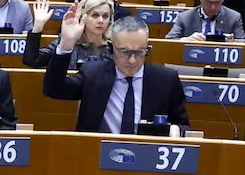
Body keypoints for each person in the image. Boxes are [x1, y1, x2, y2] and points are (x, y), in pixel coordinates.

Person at [43, 10, 189, 136]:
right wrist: (66, 45)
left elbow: (182, 124)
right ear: (111, 48)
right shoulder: (92, 73)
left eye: (139, 52)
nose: (132, 60)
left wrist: (176, 129)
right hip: (96, 152)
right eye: (125, 52)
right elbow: (53, 89)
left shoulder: (166, 79)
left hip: (146, 154)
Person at [25, 0, 115, 69]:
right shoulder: (66, 43)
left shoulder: (113, 48)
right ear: (82, 16)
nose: (101, 21)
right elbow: (32, 61)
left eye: (105, 16)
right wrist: (37, 27)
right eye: (95, 15)